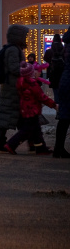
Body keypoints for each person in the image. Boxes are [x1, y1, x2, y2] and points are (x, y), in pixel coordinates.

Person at [3, 61, 55, 155]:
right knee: (26, 130)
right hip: (32, 110)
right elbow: (42, 97)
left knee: (36, 130)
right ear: (31, 73)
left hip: (25, 109)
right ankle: (11, 144)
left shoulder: (21, 82)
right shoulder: (32, 84)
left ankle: (41, 148)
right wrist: (54, 105)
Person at [0, 24, 29, 152]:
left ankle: (32, 142)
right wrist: (28, 70)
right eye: (24, 36)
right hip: (12, 88)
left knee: (15, 116)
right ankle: (2, 144)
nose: (26, 37)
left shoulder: (15, 49)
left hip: (13, 87)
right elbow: (14, 68)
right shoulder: (13, 50)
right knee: (8, 115)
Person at [53, 29, 70, 158]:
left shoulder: (67, 45)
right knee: (65, 117)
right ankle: (58, 148)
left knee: (64, 117)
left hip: (65, 81)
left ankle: (58, 148)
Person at [44, 34, 64, 98]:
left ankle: (57, 105)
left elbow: (45, 59)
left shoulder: (49, 51)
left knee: (55, 91)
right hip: (62, 73)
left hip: (52, 72)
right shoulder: (63, 50)